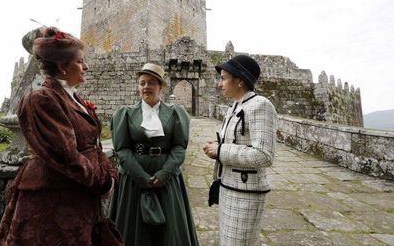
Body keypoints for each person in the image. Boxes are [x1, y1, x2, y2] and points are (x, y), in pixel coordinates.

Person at [0, 27, 119, 246]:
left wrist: (110, 174)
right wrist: (103, 182)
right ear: (62, 66)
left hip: (80, 200)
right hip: (51, 203)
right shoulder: (41, 99)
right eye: (80, 61)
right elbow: (66, 155)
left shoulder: (76, 99)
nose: (86, 66)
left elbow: (94, 146)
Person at [108, 63, 199, 246]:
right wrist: (141, 176)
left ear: (161, 86)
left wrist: (165, 173)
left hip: (166, 179)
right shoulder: (125, 114)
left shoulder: (175, 114)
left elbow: (179, 147)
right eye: (142, 83)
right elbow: (122, 149)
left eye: (151, 82)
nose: (145, 87)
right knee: (132, 230)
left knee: (169, 232)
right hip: (133, 180)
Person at [203, 55, 277, 246]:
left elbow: (264, 155)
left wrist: (221, 150)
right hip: (229, 187)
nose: (220, 84)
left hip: (246, 194)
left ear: (240, 81)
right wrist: (217, 147)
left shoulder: (261, 105)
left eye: (223, 78)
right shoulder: (235, 106)